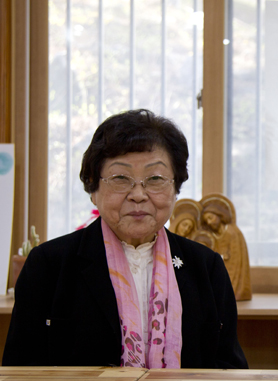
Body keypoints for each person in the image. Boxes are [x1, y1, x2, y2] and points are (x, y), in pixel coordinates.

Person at [3, 109, 248, 369]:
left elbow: (229, 369)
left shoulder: (206, 267)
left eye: (155, 179)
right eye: (121, 178)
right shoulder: (48, 266)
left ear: (176, 189)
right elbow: (20, 369)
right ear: (92, 188)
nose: (138, 195)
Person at [200, 194, 252, 301]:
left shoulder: (232, 232)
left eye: (211, 218)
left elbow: (236, 261)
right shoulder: (212, 235)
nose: (209, 223)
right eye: (206, 221)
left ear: (219, 215)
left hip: (232, 272)